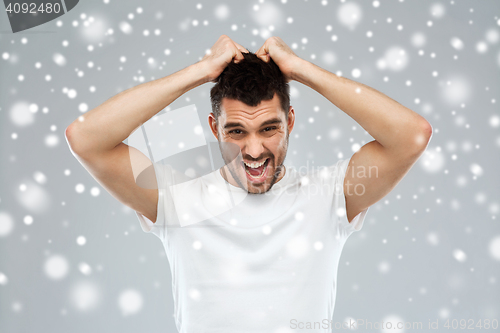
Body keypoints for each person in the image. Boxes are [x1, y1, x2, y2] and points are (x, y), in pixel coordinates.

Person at [65, 35, 432, 333]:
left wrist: (301, 70)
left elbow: (412, 136)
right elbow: (85, 139)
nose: (254, 150)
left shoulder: (330, 195)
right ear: (214, 128)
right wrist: (199, 71)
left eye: (269, 128)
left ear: (290, 122)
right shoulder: (178, 201)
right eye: (236, 131)